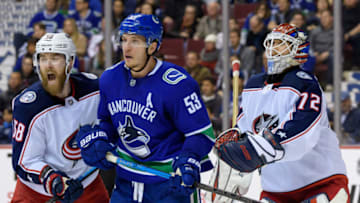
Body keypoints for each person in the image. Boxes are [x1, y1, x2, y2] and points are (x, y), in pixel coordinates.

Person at [76, 14, 215, 203]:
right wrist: (99, 139)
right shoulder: (110, 78)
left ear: (152, 46)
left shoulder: (177, 84)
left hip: (170, 183)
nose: (127, 47)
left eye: (135, 41)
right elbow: (107, 121)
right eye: (124, 40)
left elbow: (201, 134)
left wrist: (189, 158)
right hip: (126, 182)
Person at [214, 24, 349, 202]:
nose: (272, 48)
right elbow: (244, 131)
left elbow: (301, 133)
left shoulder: (306, 84)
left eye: (280, 43)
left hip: (321, 182)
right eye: (271, 43)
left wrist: (258, 150)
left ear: (297, 50)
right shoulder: (253, 86)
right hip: (276, 189)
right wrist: (233, 166)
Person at [11, 33, 109, 202]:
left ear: (70, 62)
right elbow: (23, 162)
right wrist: (54, 180)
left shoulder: (94, 89)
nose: (48, 65)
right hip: (36, 193)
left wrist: (106, 143)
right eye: (43, 58)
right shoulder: (27, 106)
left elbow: (111, 124)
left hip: (87, 186)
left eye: (55, 58)